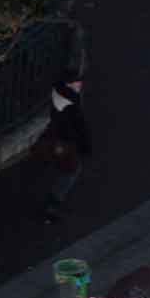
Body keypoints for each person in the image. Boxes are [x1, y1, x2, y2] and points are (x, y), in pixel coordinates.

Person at [42, 72, 93, 223]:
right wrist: (85, 145)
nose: (79, 87)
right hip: (65, 144)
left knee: (65, 169)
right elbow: (78, 125)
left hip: (57, 142)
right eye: (76, 84)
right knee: (70, 171)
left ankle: (53, 201)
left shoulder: (58, 97)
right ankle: (52, 204)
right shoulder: (71, 104)